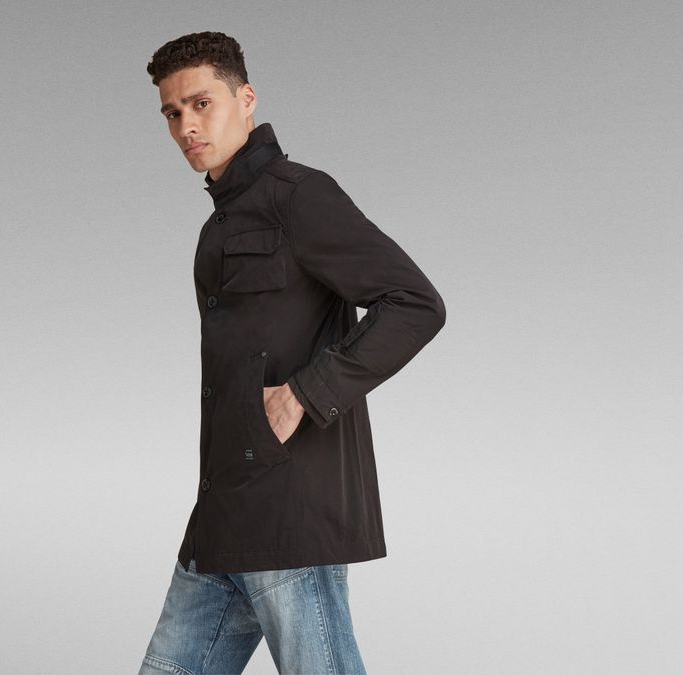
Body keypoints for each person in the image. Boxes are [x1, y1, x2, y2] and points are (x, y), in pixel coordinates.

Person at [139, 31, 447, 675]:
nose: (186, 126)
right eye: (172, 112)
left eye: (201, 104)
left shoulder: (299, 196)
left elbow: (415, 303)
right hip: (224, 508)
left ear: (246, 99)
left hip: (288, 507)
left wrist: (306, 392)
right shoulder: (218, 224)